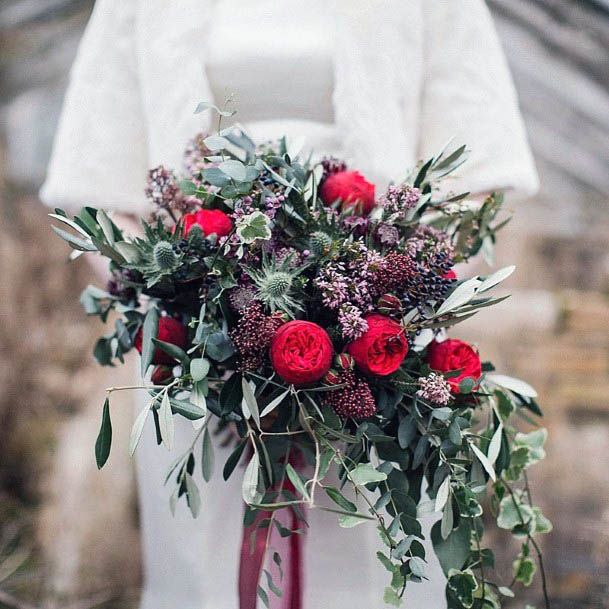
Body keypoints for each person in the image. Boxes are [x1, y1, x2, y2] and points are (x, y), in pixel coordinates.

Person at [40, 1, 538, 608]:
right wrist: (189, 310)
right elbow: (99, 191)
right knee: (208, 565)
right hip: (202, 356)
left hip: (382, 343)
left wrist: (391, 295)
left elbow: (477, 178)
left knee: (379, 552)